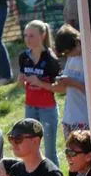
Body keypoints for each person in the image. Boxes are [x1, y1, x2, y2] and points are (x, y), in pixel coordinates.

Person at [19, 20, 61, 166]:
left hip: (47, 108)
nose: (27, 39)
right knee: (29, 148)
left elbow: (59, 88)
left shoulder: (51, 59)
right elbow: (22, 83)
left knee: (50, 151)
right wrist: (21, 80)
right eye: (25, 35)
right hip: (30, 106)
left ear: (42, 36)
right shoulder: (23, 57)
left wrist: (39, 82)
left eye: (31, 36)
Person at [53, 25, 91, 140]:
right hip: (69, 119)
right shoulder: (72, 58)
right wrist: (62, 82)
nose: (68, 55)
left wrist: (72, 82)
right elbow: (66, 85)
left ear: (77, 42)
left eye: (68, 52)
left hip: (87, 120)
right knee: (72, 156)